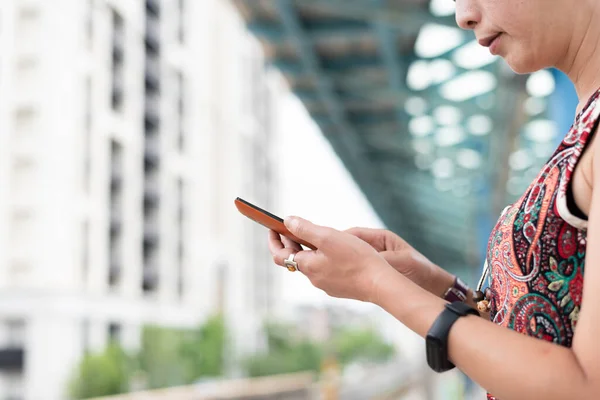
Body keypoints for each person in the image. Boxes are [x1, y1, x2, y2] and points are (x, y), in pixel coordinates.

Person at [267, 0, 600, 399]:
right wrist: (437, 286)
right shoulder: (584, 122)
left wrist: (376, 282)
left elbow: (585, 385)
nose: (464, 15)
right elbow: (546, 325)